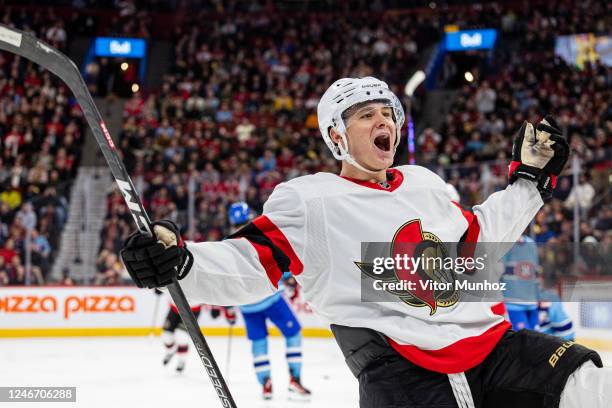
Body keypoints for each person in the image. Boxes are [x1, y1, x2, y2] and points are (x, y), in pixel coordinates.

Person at [121, 77, 611, 407]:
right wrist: (181, 261)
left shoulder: (423, 182)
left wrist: (529, 182)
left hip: (495, 352)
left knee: (594, 385)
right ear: (336, 135)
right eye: (366, 116)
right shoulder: (311, 201)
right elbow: (251, 262)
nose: (385, 123)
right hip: (406, 379)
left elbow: (475, 243)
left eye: (388, 113)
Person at [226, 201, 310, 401]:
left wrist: (227, 307)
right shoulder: (258, 235)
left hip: (247, 305)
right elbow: (277, 261)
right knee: (293, 334)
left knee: (259, 343)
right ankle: (294, 380)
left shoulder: (226, 244)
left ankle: (265, 384)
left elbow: (226, 279)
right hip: (271, 298)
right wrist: (288, 276)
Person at [501, 234, 541, 331]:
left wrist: (539, 296)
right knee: (524, 339)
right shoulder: (505, 243)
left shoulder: (531, 244)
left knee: (534, 337)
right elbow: (497, 272)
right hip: (513, 302)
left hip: (531, 302)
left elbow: (535, 273)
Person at [158, 289, 202, 373]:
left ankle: (181, 360)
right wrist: (158, 286)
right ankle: (170, 351)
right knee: (166, 336)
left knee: (182, 336)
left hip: (191, 310)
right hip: (174, 308)